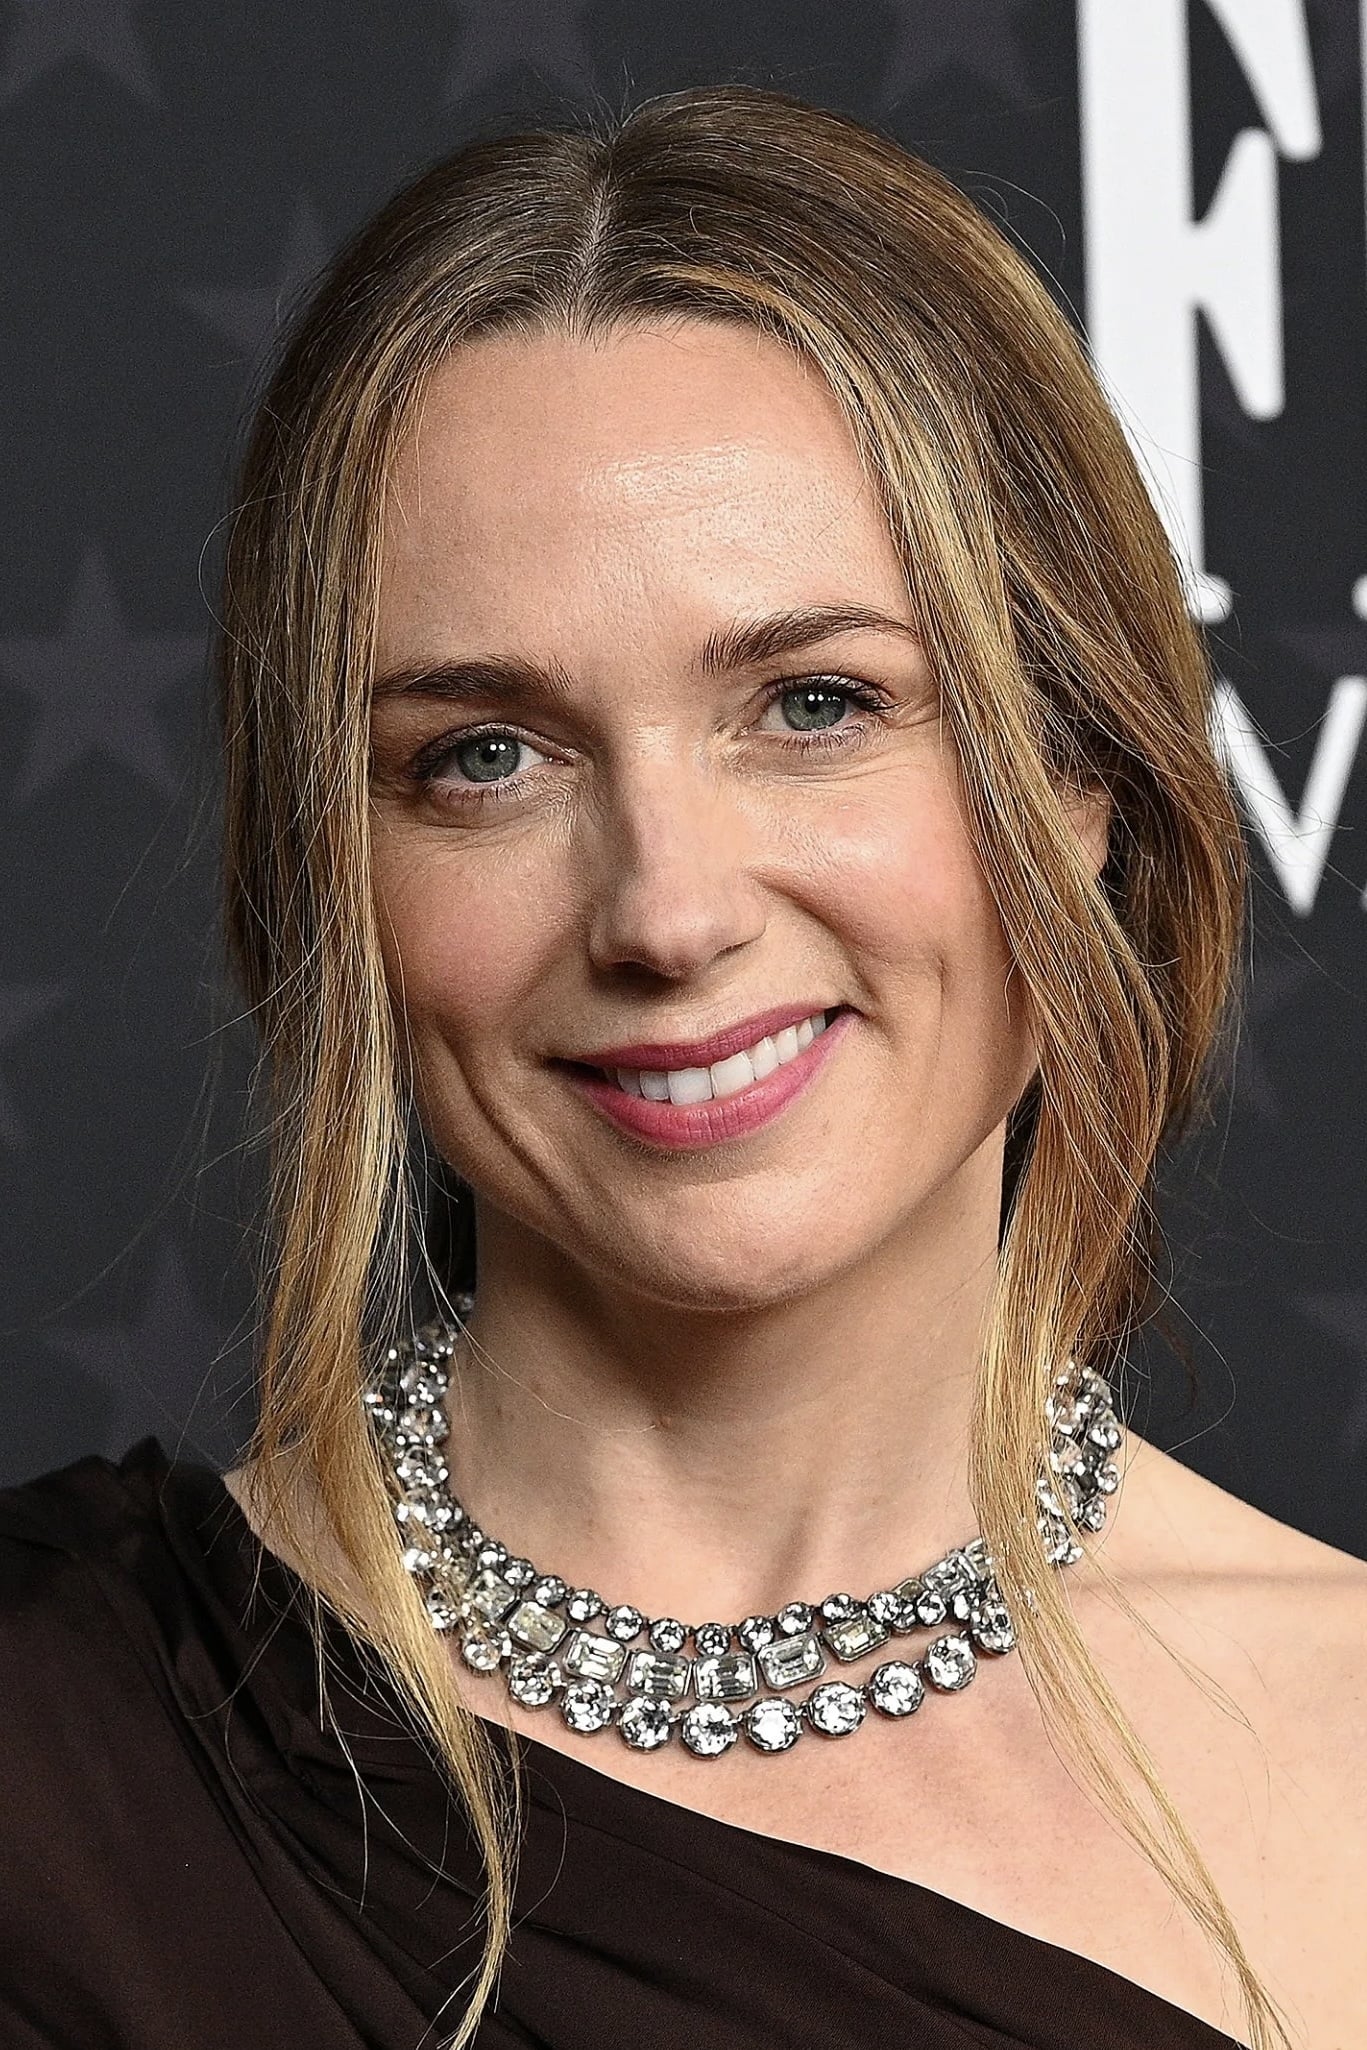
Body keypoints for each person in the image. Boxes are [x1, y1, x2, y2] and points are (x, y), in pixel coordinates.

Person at [1, 81, 1363, 2050]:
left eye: (814, 704)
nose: (666, 906)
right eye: (485, 755)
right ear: (332, 873)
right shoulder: (53, 1755)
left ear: (1081, 780)